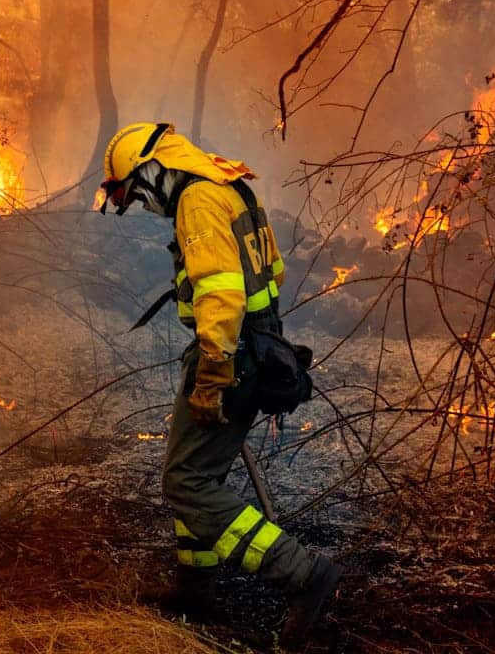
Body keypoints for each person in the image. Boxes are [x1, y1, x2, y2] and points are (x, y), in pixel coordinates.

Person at [99, 122, 342, 648]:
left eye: (138, 192)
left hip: (229, 356)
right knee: (197, 471)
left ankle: (301, 574)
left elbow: (222, 293)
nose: (143, 205)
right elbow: (271, 274)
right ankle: (196, 591)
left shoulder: (198, 202)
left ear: (154, 169)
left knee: (186, 483)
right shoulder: (231, 186)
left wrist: (212, 372)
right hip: (255, 348)